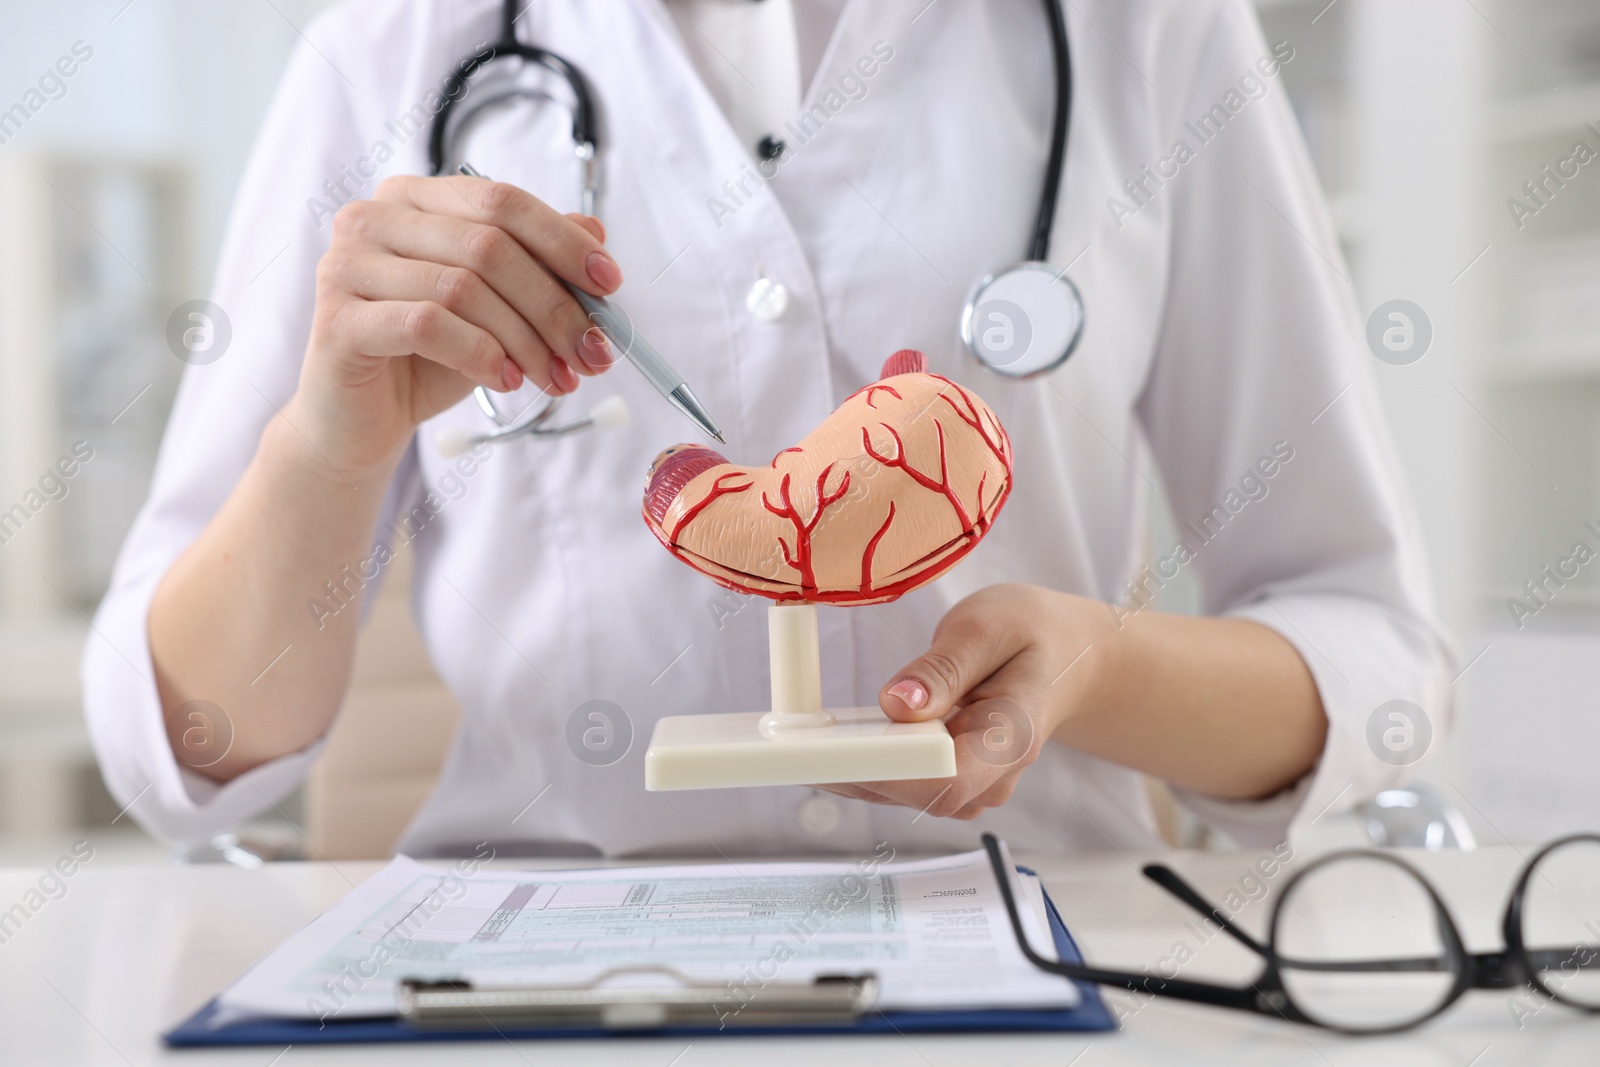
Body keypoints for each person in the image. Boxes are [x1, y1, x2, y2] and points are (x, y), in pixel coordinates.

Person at [84, 0, 1452, 859]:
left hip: (1042, 962)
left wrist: (1097, 669)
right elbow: (183, 751)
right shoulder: (390, 52)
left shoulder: (1144, 33)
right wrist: (334, 438)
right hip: (541, 995)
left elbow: (1369, 648)